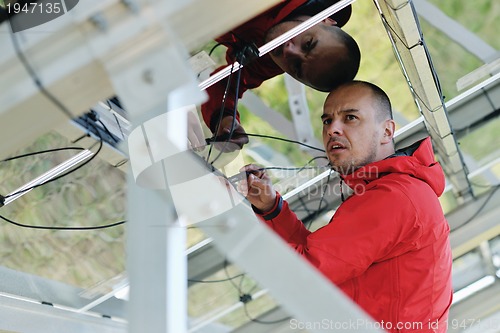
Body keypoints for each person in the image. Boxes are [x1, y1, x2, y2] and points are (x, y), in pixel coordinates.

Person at [241, 81, 453, 332]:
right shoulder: (398, 190)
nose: (332, 130)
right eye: (327, 121)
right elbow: (316, 260)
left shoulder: (394, 197)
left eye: (350, 117)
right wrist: (271, 208)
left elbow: (306, 275)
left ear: (387, 131)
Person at [201, 0, 361, 150]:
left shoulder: (268, 62)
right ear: (327, 20)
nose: (289, 51)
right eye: (308, 43)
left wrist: (224, 119)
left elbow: (225, 83)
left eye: (296, 67)